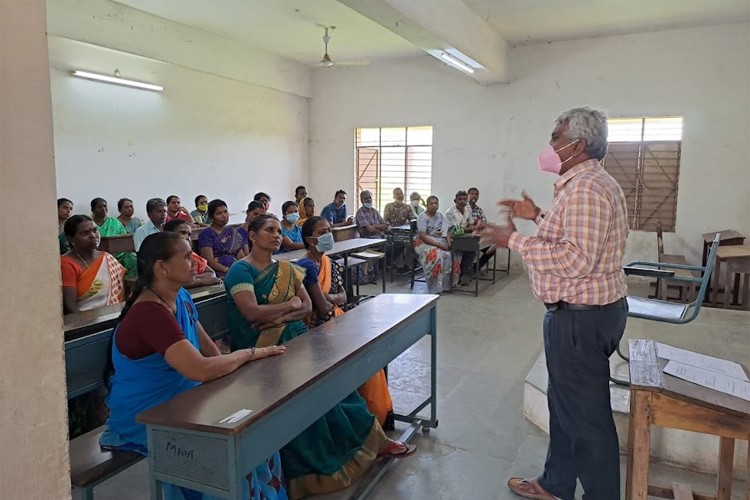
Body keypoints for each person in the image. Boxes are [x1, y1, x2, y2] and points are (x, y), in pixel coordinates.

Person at [479, 107, 629, 500]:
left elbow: (575, 259)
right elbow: (573, 233)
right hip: (578, 315)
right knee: (564, 408)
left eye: (556, 137)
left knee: (587, 419)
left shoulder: (588, 189)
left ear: (577, 145)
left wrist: (512, 240)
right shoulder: (582, 186)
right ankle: (556, 483)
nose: (550, 145)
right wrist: (538, 216)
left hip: (581, 319)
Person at [225, 215, 415, 499]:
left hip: (299, 339)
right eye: (269, 230)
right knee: (301, 401)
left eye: (279, 231)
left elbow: (305, 307)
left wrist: (284, 310)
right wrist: (290, 307)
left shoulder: (287, 268)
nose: (276, 235)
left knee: (339, 389)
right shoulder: (240, 271)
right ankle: (313, 469)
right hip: (263, 350)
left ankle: (374, 443)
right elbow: (251, 313)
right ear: (252, 236)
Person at [100, 231, 287, 500]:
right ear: (161, 267)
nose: (196, 262)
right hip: (147, 415)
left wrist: (238, 374)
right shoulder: (149, 313)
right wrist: (249, 353)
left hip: (186, 399)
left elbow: (210, 353)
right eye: (187, 257)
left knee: (256, 433)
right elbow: (200, 369)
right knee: (223, 453)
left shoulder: (181, 297)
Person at [297, 216, 395, 428]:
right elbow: (321, 308)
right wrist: (328, 300)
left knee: (374, 353)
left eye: (329, 230)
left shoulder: (329, 263)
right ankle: (367, 419)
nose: (328, 235)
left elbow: (343, 297)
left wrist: (326, 297)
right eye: (322, 232)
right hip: (318, 329)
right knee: (365, 359)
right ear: (310, 240)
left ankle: (376, 415)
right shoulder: (305, 266)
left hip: (337, 320)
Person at [60, 215, 125, 314]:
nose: (93, 235)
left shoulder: (107, 258)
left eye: (95, 230)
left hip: (113, 317)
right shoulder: (67, 264)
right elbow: (70, 308)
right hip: (83, 323)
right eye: (85, 233)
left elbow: (119, 294)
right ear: (71, 239)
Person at [415, 196, 459, 294]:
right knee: (436, 255)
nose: (434, 205)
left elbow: (445, 231)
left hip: (439, 240)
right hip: (425, 242)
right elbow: (422, 236)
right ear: (427, 205)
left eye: (436, 203)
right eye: (431, 204)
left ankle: (446, 285)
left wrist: (448, 241)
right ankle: (435, 288)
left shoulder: (440, 216)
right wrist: (438, 245)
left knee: (449, 255)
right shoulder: (422, 217)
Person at [163, 219, 222, 288]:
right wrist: (201, 281)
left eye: (189, 234)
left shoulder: (192, 255)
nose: (187, 237)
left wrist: (191, 279)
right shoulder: (166, 256)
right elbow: (171, 283)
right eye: (183, 233)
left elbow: (211, 273)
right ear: (169, 234)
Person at [91, 197, 137, 279]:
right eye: (100, 207)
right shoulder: (90, 224)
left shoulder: (115, 222)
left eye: (105, 206)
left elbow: (124, 239)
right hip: (96, 255)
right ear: (93, 209)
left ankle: (130, 282)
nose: (103, 209)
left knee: (132, 257)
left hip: (118, 254)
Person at [199, 199, 245, 278]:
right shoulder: (206, 234)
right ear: (211, 216)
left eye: (225, 211)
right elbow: (209, 261)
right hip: (218, 272)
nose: (224, 216)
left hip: (235, 268)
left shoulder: (232, 232)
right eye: (218, 213)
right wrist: (228, 270)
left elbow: (240, 256)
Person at [383, 188, 416, 273]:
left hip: (404, 232)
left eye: (401, 193)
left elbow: (412, 218)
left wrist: (411, 224)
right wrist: (390, 228)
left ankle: (408, 265)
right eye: (397, 194)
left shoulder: (407, 207)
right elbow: (385, 221)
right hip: (391, 233)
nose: (400, 195)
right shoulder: (388, 206)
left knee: (411, 243)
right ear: (393, 196)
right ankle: (399, 266)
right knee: (400, 243)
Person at [467, 187, 495, 272]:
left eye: (476, 194)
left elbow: (484, 223)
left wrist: (478, 223)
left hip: (478, 237)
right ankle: (464, 271)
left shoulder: (479, 210)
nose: (474, 196)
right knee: (469, 252)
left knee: (492, 249)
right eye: (472, 194)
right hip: (467, 237)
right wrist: (476, 223)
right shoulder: (464, 208)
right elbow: (464, 223)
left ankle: (476, 267)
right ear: (468, 195)